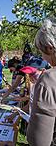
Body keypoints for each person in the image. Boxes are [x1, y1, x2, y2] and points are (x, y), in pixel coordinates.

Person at [27, 17, 56, 146]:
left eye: (41, 51)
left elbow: (38, 141)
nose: (42, 57)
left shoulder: (49, 79)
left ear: (49, 48)